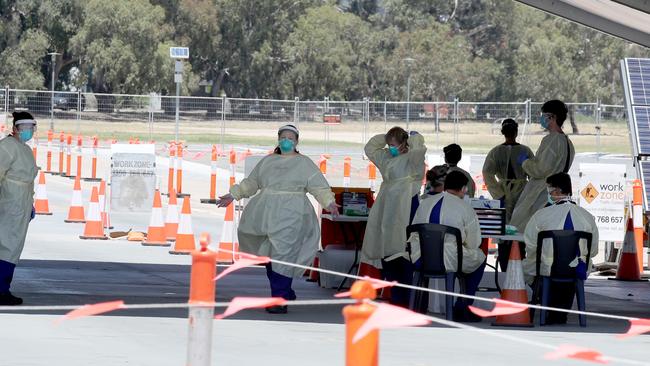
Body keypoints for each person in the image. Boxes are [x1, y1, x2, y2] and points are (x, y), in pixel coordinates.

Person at [216, 124, 338, 314]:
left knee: (283, 255)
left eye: (291, 138)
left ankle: (279, 299)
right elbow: (252, 182)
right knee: (272, 257)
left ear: (297, 141)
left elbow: (319, 187)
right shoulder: (267, 162)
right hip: (265, 214)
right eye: (283, 137)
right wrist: (233, 195)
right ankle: (285, 291)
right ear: (278, 139)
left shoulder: (304, 164)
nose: (286, 141)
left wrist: (329, 203)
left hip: (293, 214)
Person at [407, 171, 485, 322]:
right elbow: (474, 243)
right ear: (464, 188)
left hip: (420, 258)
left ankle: (418, 306)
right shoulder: (465, 208)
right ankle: (463, 308)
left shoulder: (425, 203)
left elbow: (413, 230)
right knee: (479, 258)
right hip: (450, 260)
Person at [361, 127, 426, 307]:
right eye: (389, 145)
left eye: (394, 145)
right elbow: (370, 149)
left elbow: (419, 152)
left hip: (406, 204)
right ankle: (394, 292)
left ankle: (407, 296)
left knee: (404, 248)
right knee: (386, 246)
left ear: (404, 144)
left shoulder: (412, 160)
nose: (390, 148)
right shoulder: (386, 157)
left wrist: (412, 140)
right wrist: (387, 137)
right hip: (386, 204)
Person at [522, 173, 599, 324]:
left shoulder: (541, 215)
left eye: (549, 190)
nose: (549, 194)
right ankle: (561, 309)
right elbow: (594, 250)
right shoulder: (588, 217)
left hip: (547, 268)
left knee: (527, 268)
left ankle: (545, 299)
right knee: (572, 270)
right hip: (577, 270)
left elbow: (531, 246)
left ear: (556, 191)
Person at [510, 100, 575, 232]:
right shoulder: (567, 142)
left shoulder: (552, 140)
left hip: (541, 194)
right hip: (555, 193)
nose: (541, 118)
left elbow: (540, 169)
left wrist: (525, 162)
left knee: (525, 228)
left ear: (552, 117)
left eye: (543, 115)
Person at [0, 111, 38, 305]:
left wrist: (29, 204)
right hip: (9, 204)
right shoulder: (6, 147)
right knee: (7, 246)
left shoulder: (24, 148)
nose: (27, 132)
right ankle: (1, 290)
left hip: (20, 204)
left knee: (13, 247)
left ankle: (4, 288)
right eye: (24, 128)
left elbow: (27, 179)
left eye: (31, 128)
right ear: (14, 128)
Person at [482, 119, 534, 223]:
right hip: (522, 190)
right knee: (521, 223)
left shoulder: (495, 151)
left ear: (503, 132)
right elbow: (533, 172)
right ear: (516, 132)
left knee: (504, 223)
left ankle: (504, 240)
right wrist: (530, 191)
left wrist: (498, 193)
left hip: (503, 190)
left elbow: (487, 173)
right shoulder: (525, 150)